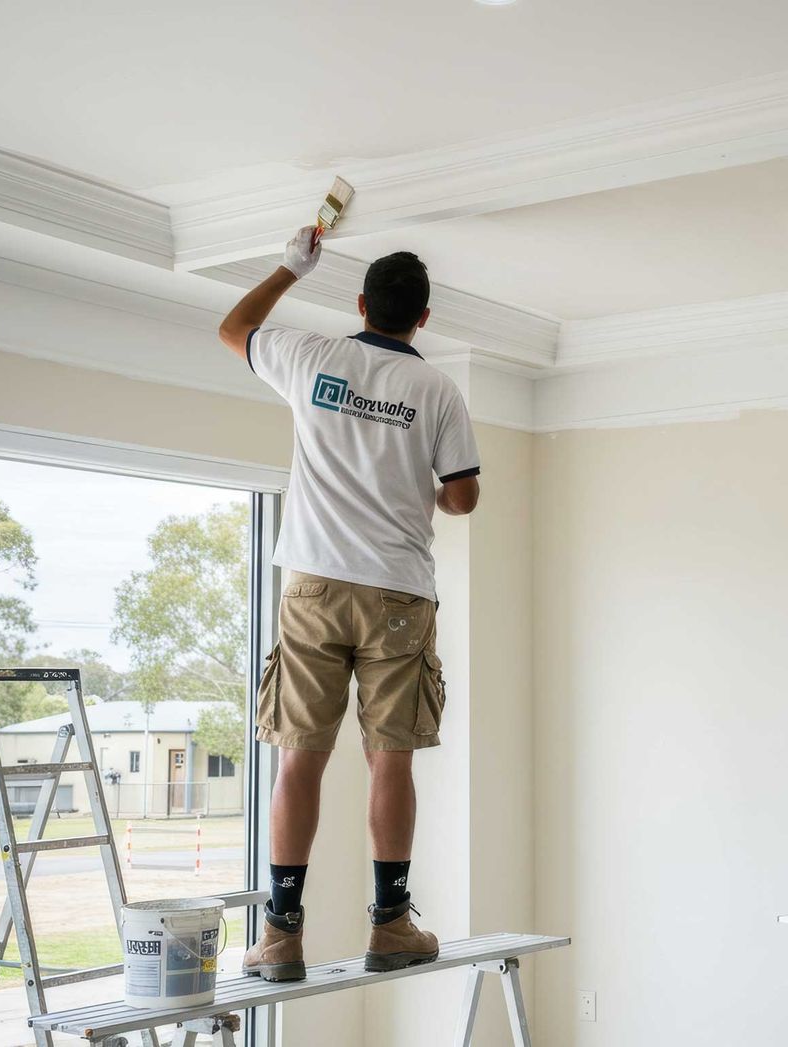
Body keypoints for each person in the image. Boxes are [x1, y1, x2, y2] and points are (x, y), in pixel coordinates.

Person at [216, 227, 481, 979]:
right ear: (422, 319)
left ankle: (281, 936)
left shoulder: (312, 357)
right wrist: (416, 488)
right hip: (398, 588)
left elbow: (234, 330)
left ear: (362, 304)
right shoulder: (436, 389)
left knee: (300, 758)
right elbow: (462, 495)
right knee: (388, 757)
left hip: (314, 584)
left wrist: (291, 266)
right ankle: (391, 924)